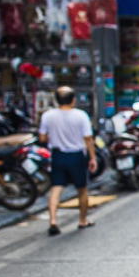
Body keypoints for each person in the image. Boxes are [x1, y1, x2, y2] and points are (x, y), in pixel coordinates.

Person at [39, 86, 96, 235]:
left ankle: (53, 220)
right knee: (82, 189)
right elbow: (88, 138)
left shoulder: (48, 116)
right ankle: (83, 220)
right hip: (76, 155)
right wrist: (92, 157)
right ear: (73, 100)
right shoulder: (81, 115)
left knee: (56, 188)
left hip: (58, 155)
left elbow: (42, 138)